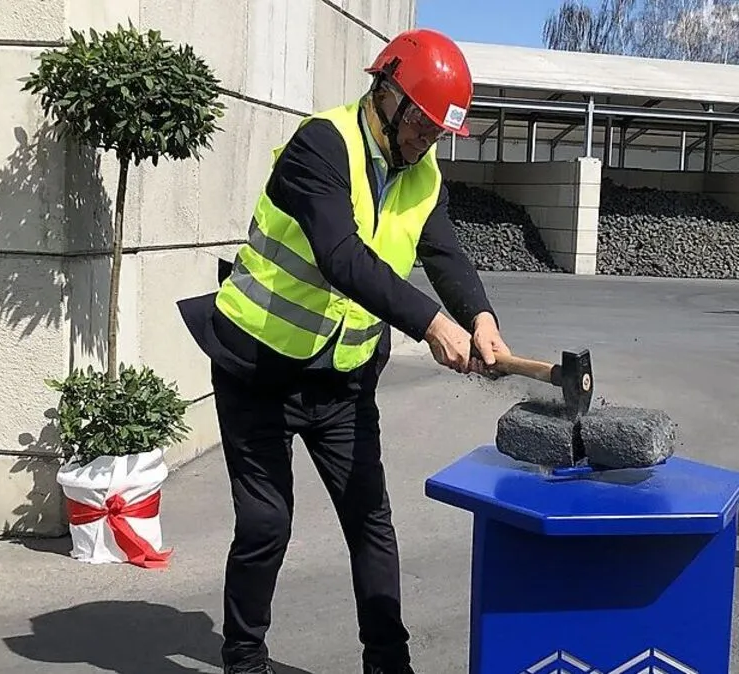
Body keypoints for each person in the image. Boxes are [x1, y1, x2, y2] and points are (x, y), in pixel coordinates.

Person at [176, 28, 510, 673]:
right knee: (267, 525)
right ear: (386, 93)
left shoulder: (421, 170)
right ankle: (244, 659)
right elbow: (341, 257)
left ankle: (389, 663)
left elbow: (442, 250)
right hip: (259, 367)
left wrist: (481, 316)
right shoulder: (320, 145)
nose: (426, 140)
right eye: (422, 124)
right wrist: (432, 324)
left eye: (439, 133)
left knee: (371, 521)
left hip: (344, 378)